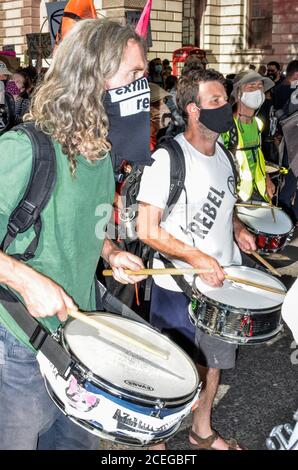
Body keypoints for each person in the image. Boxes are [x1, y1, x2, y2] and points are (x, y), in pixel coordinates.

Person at [0, 18, 149, 450]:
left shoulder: (101, 155)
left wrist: (111, 252)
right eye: (133, 75)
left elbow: (85, 223)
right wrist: (26, 279)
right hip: (17, 339)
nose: (143, 87)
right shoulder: (23, 148)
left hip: (80, 339)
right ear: (91, 78)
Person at [136, 68, 256, 450]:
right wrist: (195, 256)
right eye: (216, 101)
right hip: (178, 287)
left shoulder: (223, 153)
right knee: (169, 371)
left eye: (226, 98)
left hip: (223, 283)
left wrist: (237, 229)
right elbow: (147, 230)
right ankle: (154, 439)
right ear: (193, 109)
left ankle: (201, 430)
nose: (227, 107)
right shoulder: (167, 158)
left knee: (215, 363)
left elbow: (227, 205)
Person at [222, 70, 275, 202]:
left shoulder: (258, 123)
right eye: (251, 87)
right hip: (235, 196)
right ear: (239, 93)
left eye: (260, 87)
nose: (257, 91)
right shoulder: (226, 126)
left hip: (258, 192)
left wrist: (267, 178)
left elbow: (257, 155)